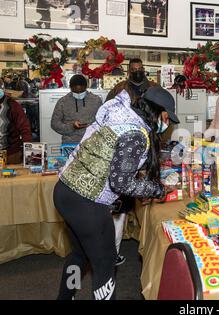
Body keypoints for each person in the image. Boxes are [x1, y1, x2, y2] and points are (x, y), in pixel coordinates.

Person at [53, 86, 179, 300]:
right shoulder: (136, 134)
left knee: (80, 255)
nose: (166, 124)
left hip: (65, 191)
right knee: (105, 264)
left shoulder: (121, 116)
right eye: (166, 117)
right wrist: (157, 189)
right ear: (158, 112)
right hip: (87, 201)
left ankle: (65, 298)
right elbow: (121, 183)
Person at [105, 58, 158, 265]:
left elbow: (163, 111)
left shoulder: (153, 87)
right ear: (128, 72)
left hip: (148, 145)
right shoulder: (120, 88)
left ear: (144, 70)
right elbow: (108, 110)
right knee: (120, 202)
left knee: (146, 200)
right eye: (133, 70)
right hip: (125, 145)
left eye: (140, 69)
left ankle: (144, 240)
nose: (137, 72)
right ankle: (113, 251)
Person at [51, 75, 102, 144]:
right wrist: (72, 126)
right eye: (76, 92)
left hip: (91, 142)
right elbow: (54, 124)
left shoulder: (96, 100)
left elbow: (103, 121)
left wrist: (91, 127)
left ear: (86, 87)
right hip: (69, 142)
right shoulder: (63, 102)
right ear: (71, 88)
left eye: (81, 91)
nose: (78, 94)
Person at [0, 79, 32, 164]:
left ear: (2, 89)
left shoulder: (12, 105)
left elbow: (25, 128)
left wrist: (28, 150)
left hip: (11, 154)